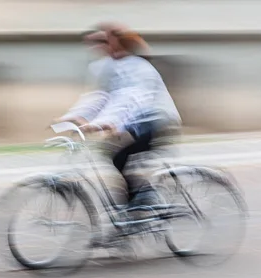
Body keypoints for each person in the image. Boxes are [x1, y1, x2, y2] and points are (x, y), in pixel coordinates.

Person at [55, 24, 182, 207]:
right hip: (133, 122)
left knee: (119, 156)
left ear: (116, 43)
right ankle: (132, 207)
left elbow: (132, 97)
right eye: (92, 43)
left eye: (101, 41)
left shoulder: (137, 65)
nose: (96, 47)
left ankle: (143, 200)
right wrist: (73, 116)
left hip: (156, 120)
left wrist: (104, 122)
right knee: (110, 154)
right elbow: (97, 97)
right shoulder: (103, 67)